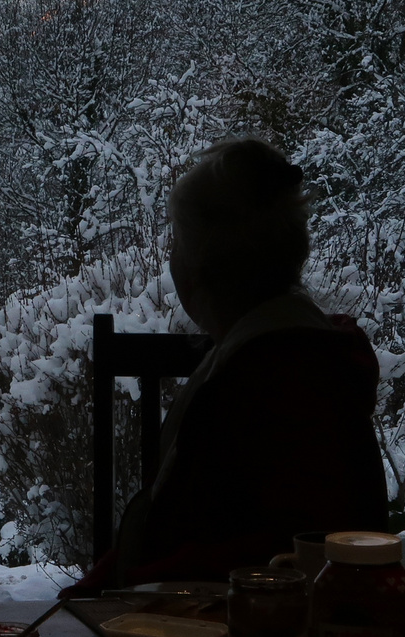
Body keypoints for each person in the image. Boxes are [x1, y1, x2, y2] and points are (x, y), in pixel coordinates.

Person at [64, 137, 386, 595]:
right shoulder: (301, 355)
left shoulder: (261, 381)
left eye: (176, 241)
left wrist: (120, 591)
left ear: (198, 267)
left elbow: (232, 560)